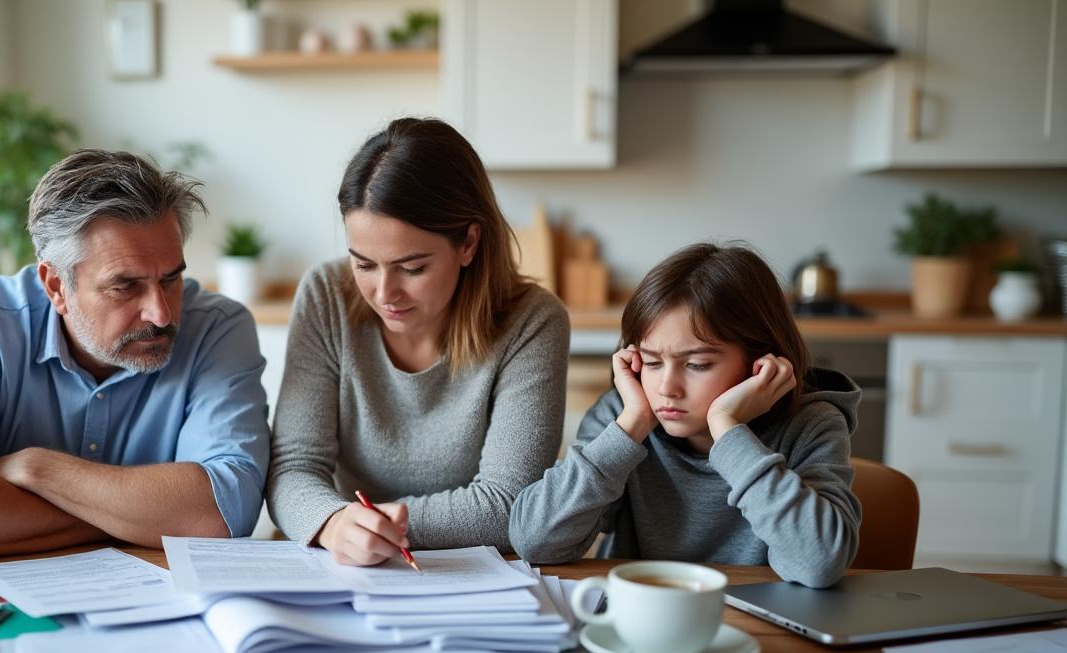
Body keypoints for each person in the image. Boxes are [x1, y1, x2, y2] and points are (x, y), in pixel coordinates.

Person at [0, 150, 270, 564]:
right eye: (124, 287)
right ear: (56, 285)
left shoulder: (219, 328)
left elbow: (224, 510)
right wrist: (141, 517)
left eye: (171, 279)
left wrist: (36, 470)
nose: (162, 313)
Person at [267, 117, 570, 566]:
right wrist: (333, 523)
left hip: (470, 573)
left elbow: (511, 503)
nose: (384, 294)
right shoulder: (325, 296)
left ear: (468, 242)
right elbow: (292, 467)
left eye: (411, 268)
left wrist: (377, 527)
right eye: (364, 264)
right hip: (344, 563)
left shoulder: (533, 321)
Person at [509, 242, 861, 588]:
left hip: (759, 626)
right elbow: (534, 541)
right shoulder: (626, 415)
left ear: (759, 363)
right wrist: (631, 427)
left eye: (697, 365)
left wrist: (727, 427)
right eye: (651, 362)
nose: (667, 388)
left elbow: (819, 563)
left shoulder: (812, 424)